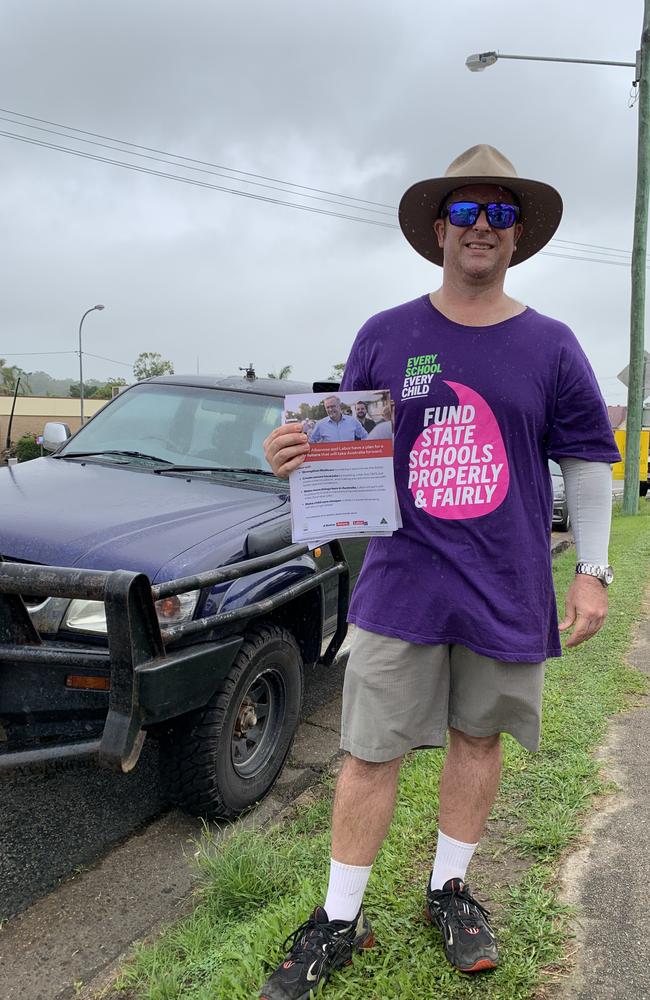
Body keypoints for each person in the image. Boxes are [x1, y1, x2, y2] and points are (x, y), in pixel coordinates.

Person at [260, 144, 620, 1000]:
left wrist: (593, 571)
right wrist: (293, 460)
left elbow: (586, 463)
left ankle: (448, 892)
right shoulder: (387, 334)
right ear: (437, 229)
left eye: (499, 212)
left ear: (519, 233)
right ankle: (338, 920)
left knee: (478, 738)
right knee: (368, 751)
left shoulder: (552, 344)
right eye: (466, 212)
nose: (482, 227)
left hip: (507, 586)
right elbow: (344, 447)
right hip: (402, 583)